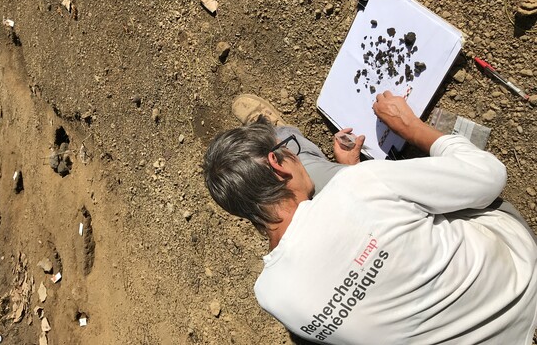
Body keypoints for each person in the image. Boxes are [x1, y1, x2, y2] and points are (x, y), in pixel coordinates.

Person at [203, 92, 537, 344]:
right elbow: (489, 175)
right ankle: (279, 132)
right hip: (522, 278)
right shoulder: (359, 185)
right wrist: (409, 126)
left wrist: (350, 175)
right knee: (317, 170)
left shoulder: (271, 295)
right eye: (286, 152)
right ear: (277, 164)